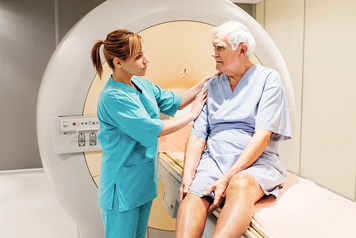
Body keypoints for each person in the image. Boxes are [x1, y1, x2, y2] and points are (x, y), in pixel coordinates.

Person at [91, 29, 216, 238]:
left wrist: (207, 81)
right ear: (118, 62)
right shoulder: (113, 97)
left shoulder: (140, 83)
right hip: (121, 187)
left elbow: (175, 101)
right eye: (138, 57)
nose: (146, 61)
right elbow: (152, 128)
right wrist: (192, 115)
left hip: (142, 183)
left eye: (144, 54)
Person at [175, 21, 292, 238]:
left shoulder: (268, 80)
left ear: (242, 50)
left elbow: (263, 136)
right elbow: (198, 136)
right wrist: (188, 176)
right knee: (193, 195)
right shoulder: (211, 86)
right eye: (213, 47)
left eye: (219, 47)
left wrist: (227, 177)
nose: (213, 54)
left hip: (256, 163)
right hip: (215, 160)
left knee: (240, 183)